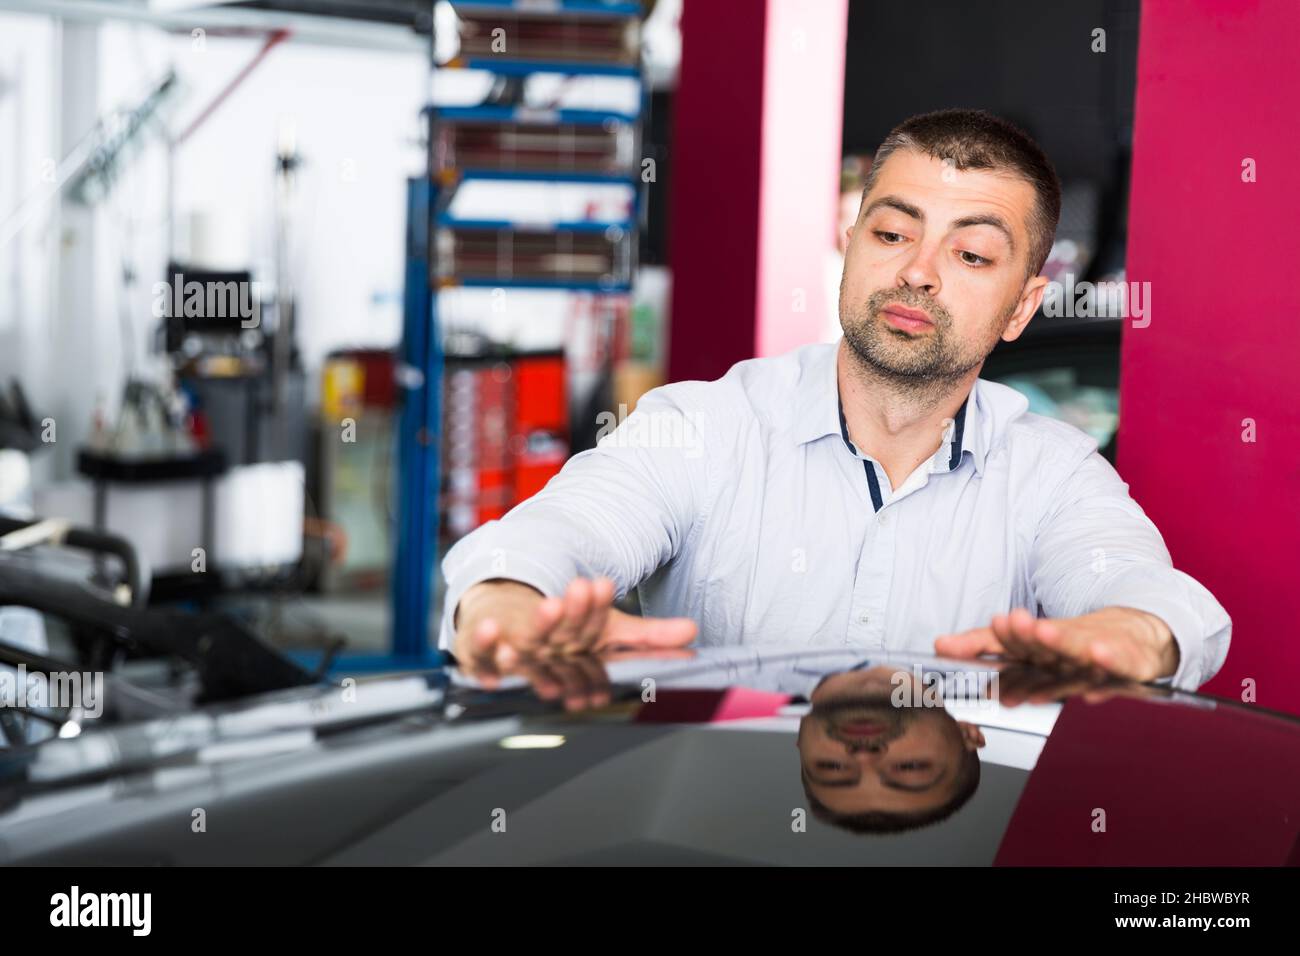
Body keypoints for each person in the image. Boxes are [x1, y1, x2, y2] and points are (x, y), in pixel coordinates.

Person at [440, 108, 1230, 693]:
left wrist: (1129, 635)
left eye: (972, 252)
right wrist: (509, 604)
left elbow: (1143, 589)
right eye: (891, 234)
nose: (919, 271)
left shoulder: (1052, 475)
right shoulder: (706, 428)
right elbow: (557, 530)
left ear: (1023, 307)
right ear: (850, 249)